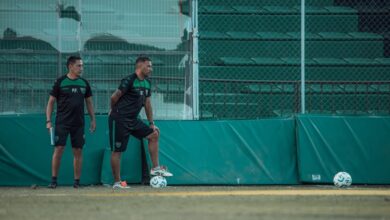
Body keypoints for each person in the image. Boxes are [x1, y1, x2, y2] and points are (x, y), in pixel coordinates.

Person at [109, 56, 172, 189]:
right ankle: (117, 182)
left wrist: (151, 123)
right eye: (148, 66)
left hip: (134, 119)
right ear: (140, 66)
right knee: (117, 151)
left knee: (154, 134)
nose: (151, 69)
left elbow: (147, 104)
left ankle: (155, 168)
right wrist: (112, 110)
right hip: (120, 119)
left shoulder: (147, 83)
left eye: (151, 66)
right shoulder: (129, 80)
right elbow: (114, 97)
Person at [46, 56, 96, 188]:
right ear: (70, 66)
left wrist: (93, 119)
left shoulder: (84, 83)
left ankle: (76, 183)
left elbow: (89, 102)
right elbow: (50, 102)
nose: (81, 68)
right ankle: (54, 181)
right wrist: (48, 121)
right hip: (62, 122)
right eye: (79, 66)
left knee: (78, 151)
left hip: (78, 124)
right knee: (59, 149)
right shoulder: (60, 82)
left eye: (82, 66)